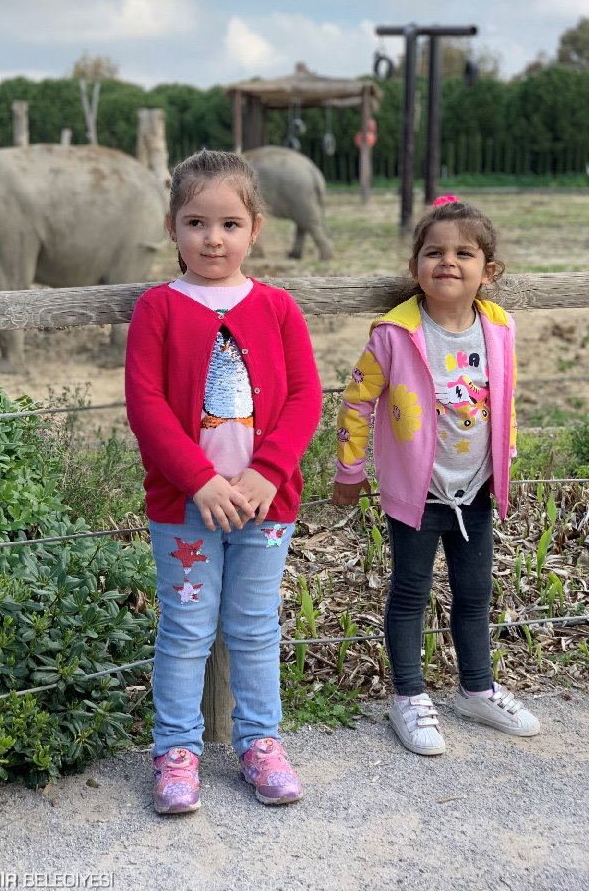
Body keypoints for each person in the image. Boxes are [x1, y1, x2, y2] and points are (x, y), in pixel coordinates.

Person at [126, 149, 322, 813]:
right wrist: (200, 480)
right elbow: (146, 406)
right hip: (185, 508)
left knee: (254, 626)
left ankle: (260, 742)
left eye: (230, 224)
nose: (213, 238)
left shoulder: (277, 308)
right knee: (186, 628)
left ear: (255, 229)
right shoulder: (158, 309)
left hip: (266, 506)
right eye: (197, 222)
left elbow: (305, 397)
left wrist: (268, 472)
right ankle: (176, 750)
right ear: (172, 227)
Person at [331, 195, 540, 756]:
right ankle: (408, 695)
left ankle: (478, 688)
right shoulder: (394, 334)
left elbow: (507, 400)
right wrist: (350, 469)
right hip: (417, 493)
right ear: (414, 267)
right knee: (410, 592)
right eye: (434, 252)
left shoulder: (499, 327)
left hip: (475, 490)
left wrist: (505, 467)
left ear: (488, 271)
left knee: (474, 593)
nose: (448, 261)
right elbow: (357, 401)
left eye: (463, 253)